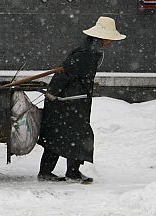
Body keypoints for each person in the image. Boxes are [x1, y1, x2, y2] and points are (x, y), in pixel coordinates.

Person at [37, 16, 126, 184]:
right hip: (68, 101)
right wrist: (53, 92)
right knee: (77, 135)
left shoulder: (90, 49)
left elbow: (75, 72)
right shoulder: (87, 52)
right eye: (110, 39)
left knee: (58, 135)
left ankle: (49, 172)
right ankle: (71, 173)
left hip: (72, 100)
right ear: (103, 38)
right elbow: (67, 73)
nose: (111, 43)